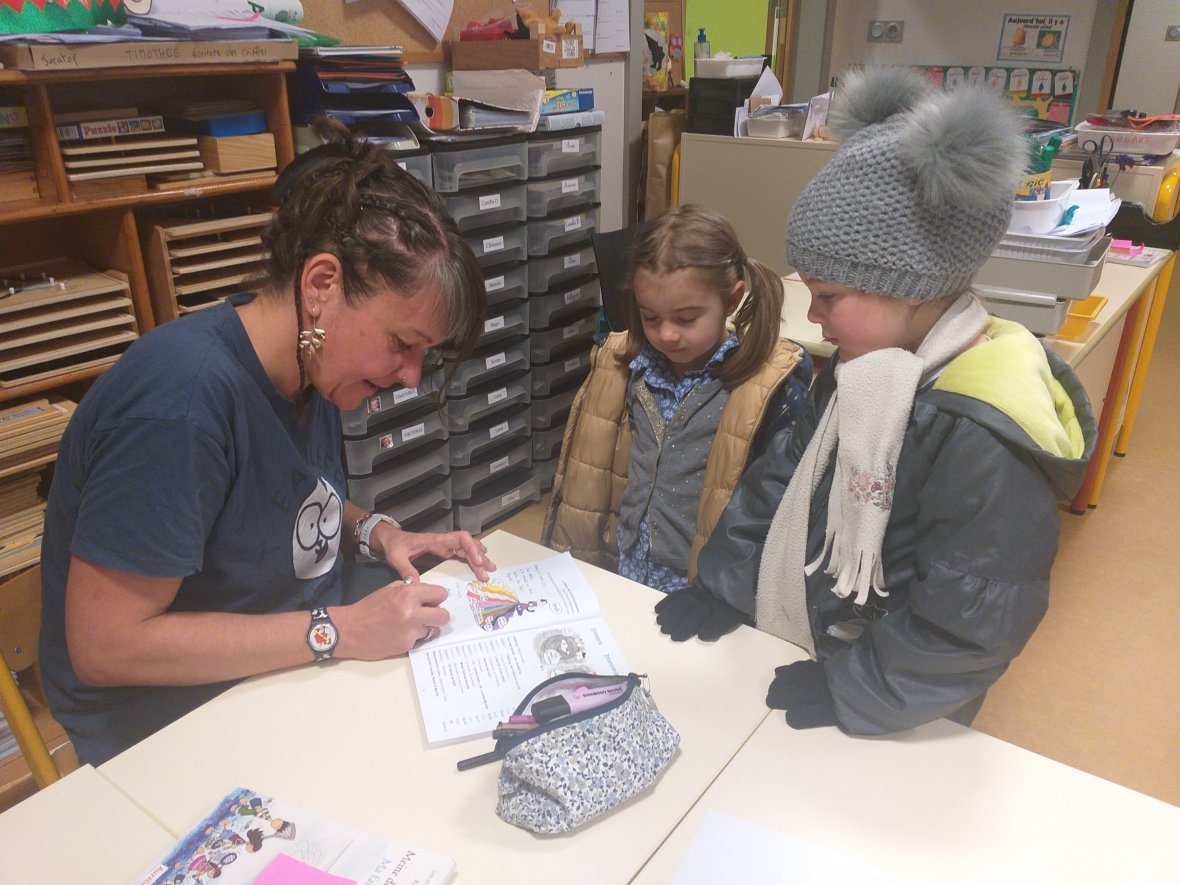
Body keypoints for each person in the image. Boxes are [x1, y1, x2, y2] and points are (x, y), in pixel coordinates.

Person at [39, 119, 496, 765]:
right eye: (402, 343)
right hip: (167, 720)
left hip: (281, 662)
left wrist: (378, 533)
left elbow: (280, 496)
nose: (411, 377)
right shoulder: (179, 406)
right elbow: (106, 647)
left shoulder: (309, 366)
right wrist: (339, 631)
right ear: (321, 285)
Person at [654, 67, 1097, 733]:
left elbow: (973, 619)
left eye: (828, 296)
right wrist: (722, 587)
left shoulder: (982, 430)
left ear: (910, 286)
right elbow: (781, 483)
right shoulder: (861, 369)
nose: (813, 315)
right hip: (809, 642)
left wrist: (855, 688)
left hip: (891, 699)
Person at [542, 204, 812, 593]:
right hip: (630, 565)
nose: (667, 334)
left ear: (731, 300)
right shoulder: (629, 368)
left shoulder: (758, 388)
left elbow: (772, 504)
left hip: (700, 583)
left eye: (686, 319)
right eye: (651, 317)